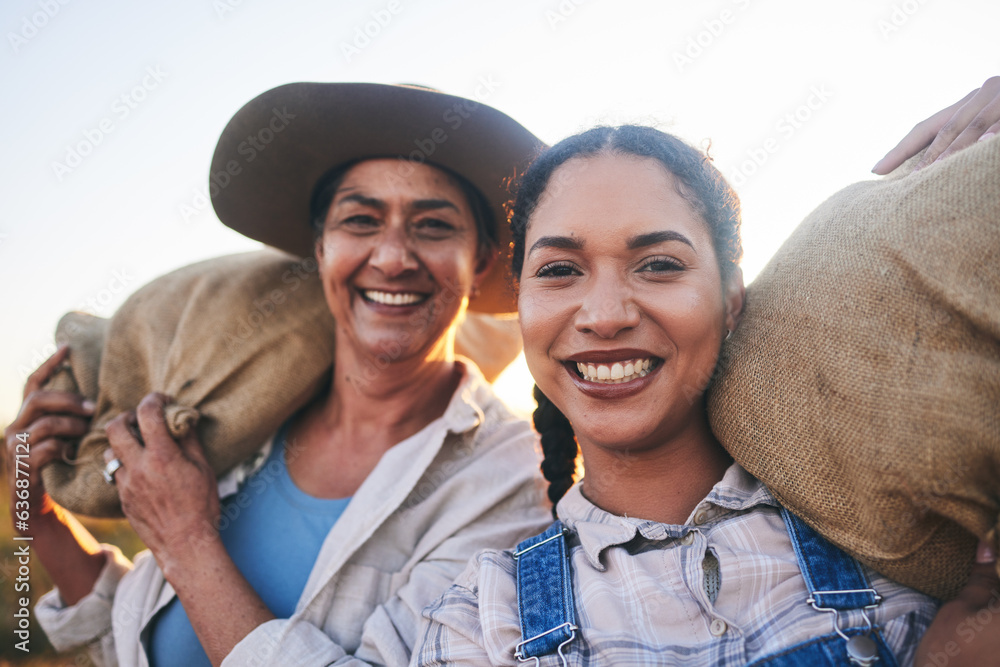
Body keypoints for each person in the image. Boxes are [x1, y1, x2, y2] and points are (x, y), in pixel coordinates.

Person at [414, 80, 1000, 666]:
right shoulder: (483, 621)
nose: (606, 315)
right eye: (561, 269)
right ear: (521, 302)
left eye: (659, 265)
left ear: (731, 299)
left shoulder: (895, 523)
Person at [4, 83, 552, 667]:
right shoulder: (235, 417)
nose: (392, 257)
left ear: (483, 262)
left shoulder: (513, 482)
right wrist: (38, 516)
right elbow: (140, 641)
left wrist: (187, 543)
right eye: (361, 220)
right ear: (320, 250)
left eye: (434, 226)